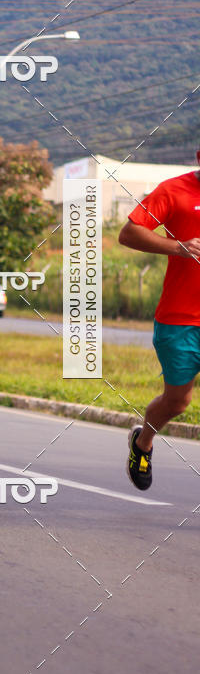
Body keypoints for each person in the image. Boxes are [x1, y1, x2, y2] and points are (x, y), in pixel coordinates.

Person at [119, 152, 200, 489]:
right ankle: (143, 442)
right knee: (178, 402)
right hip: (180, 320)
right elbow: (129, 234)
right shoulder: (174, 191)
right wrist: (178, 246)